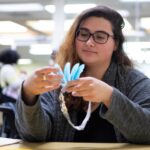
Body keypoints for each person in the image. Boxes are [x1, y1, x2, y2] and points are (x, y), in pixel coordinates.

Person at [15, 5, 150, 144]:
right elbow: (34, 136)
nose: (89, 42)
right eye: (84, 34)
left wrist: (109, 96)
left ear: (115, 44)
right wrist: (29, 93)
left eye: (100, 36)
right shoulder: (59, 79)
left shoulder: (134, 82)